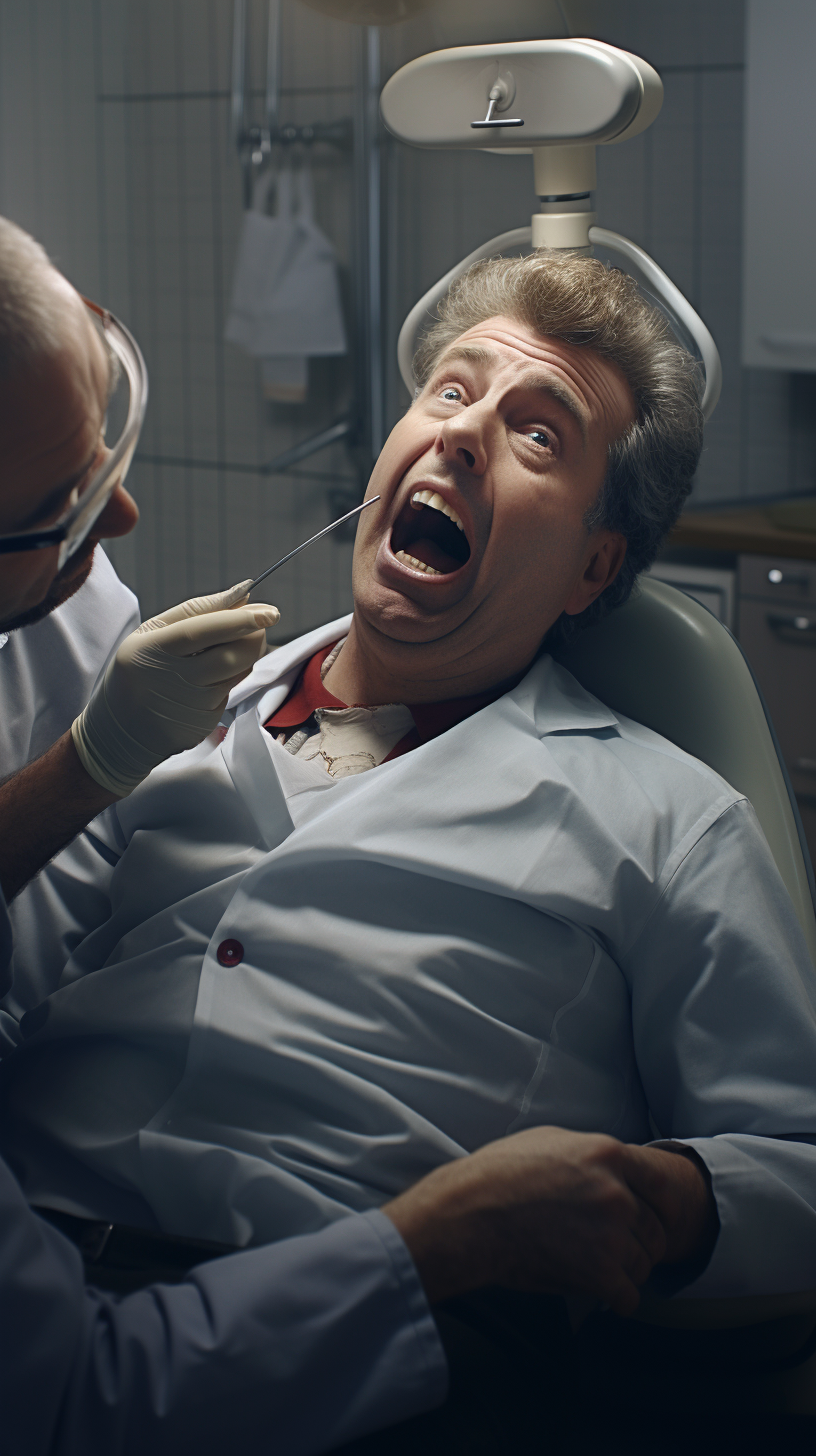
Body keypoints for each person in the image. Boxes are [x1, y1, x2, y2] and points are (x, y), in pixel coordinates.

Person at [6, 244, 815, 1345]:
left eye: (539, 431)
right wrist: (91, 761)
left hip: (329, 1351)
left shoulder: (668, 823)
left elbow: (794, 1168)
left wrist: (654, 1200)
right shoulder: (156, 721)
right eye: (452, 387)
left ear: (593, 566)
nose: (465, 432)